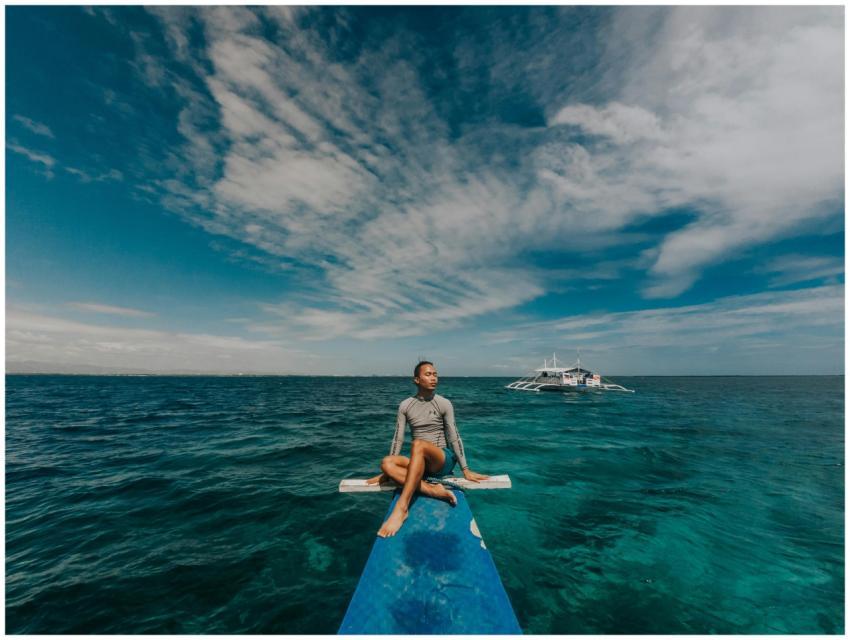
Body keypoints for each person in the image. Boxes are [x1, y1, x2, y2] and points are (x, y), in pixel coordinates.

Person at [366, 361, 489, 537]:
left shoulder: (444, 403)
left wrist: (465, 469)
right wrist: (387, 474)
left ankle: (402, 508)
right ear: (416, 379)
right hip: (420, 462)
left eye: (435, 374)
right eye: (428, 374)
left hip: (442, 460)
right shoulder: (405, 405)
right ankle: (433, 490)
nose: (434, 378)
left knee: (417, 444)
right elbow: (397, 438)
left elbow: (454, 436)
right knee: (386, 462)